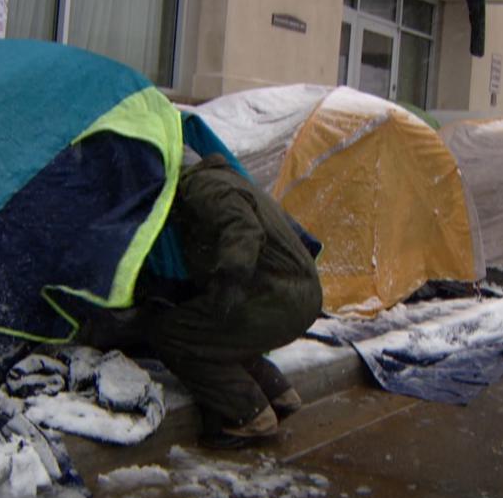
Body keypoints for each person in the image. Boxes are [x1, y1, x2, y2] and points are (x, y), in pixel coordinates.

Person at [80, 151, 323, 448]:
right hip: (294, 296)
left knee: (174, 335)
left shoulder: (202, 186)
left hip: (274, 297)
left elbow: (242, 228)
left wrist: (230, 282)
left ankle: (251, 416)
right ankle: (278, 393)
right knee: (217, 336)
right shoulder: (222, 180)